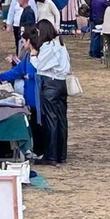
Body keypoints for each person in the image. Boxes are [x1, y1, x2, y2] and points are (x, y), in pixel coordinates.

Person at [30, 22, 71, 164]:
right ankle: (61, 154)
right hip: (61, 83)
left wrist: (33, 55)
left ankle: (51, 155)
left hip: (50, 84)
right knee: (61, 120)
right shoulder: (60, 44)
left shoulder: (48, 47)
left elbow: (39, 66)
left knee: (50, 120)